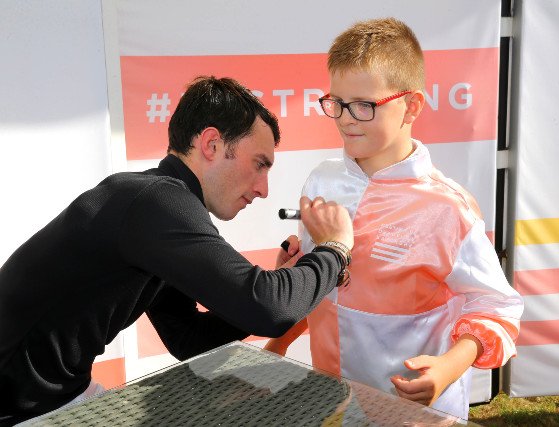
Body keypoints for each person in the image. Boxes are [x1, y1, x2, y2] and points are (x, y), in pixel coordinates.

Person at [0, 76, 354, 424]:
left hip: (50, 393)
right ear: (211, 144)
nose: (263, 188)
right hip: (22, 406)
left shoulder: (152, 206)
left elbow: (189, 339)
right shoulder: (156, 202)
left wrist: (286, 281)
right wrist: (334, 249)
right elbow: (269, 308)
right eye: (259, 164)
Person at [265, 18, 524, 419]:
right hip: (333, 399)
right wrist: (280, 341)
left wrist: (448, 368)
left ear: (412, 106)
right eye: (337, 103)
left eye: (364, 105)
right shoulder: (321, 181)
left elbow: (497, 305)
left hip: (415, 410)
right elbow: (318, 285)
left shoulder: (446, 207)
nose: (345, 118)